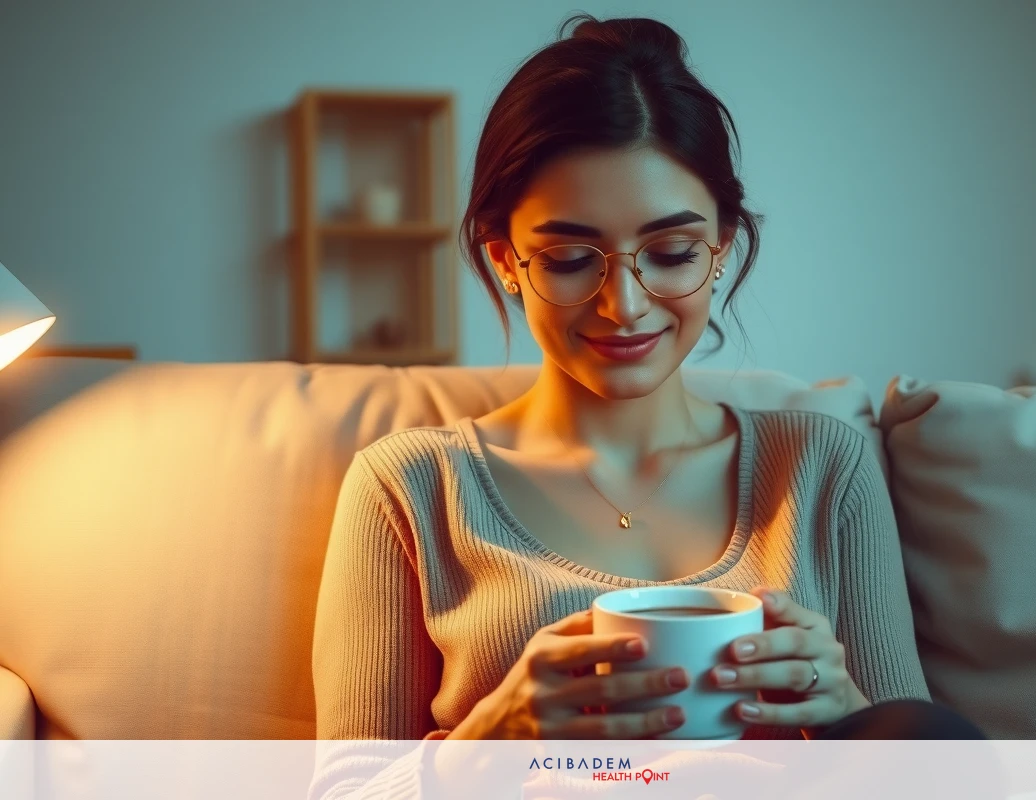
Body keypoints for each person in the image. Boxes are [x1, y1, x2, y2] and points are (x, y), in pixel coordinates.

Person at [309, 12, 987, 800]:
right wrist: (488, 745)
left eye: (672, 254)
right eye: (568, 260)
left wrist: (844, 713)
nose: (624, 305)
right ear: (505, 261)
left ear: (722, 246)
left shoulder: (822, 466)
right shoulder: (412, 486)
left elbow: (918, 764)